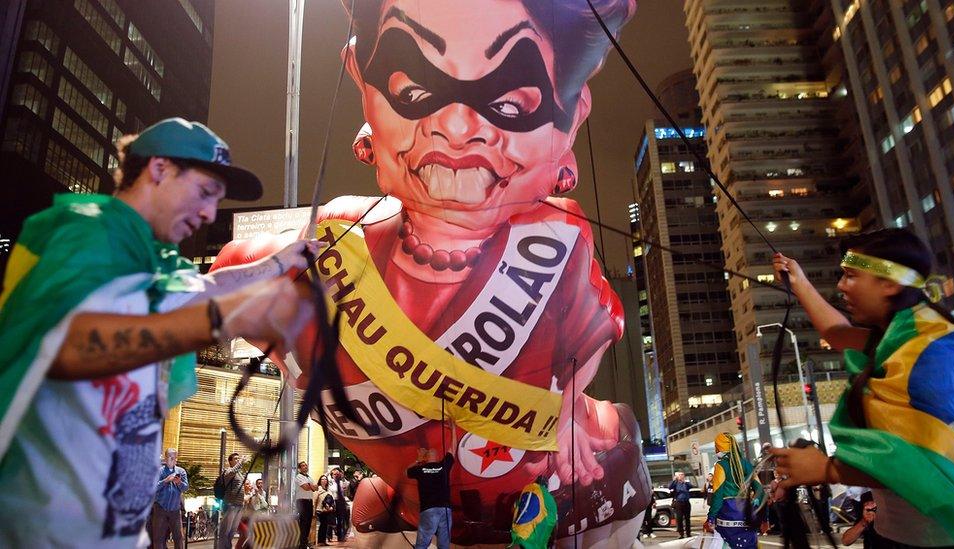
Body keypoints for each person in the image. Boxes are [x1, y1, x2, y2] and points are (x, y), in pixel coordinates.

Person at [211, 2, 653, 545]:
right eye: (415, 90)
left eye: (510, 101)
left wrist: (561, 412)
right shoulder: (335, 243)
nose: (458, 126)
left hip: (565, 505)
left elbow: (593, 340)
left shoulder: (560, 240)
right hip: (418, 512)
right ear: (362, 85)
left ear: (572, 117)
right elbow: (225, 275)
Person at [0, 117, 322, 548]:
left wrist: (281, 262)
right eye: (206, 192)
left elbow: (206, 286)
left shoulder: (155, 262)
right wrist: (226, 317)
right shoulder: (87, 233)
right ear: (159, 169)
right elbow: (75, 346)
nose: (210, 214)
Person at [770, 228, 954, 547]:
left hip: (941, 537)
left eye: (851, 276)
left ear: (889, 283)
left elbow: (924, 460)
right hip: (896, 531)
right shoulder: (905, 336)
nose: (841, 286)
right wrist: (798, 280)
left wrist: (827, 468)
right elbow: (837, 332)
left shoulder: (929, 356)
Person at [703, 433, 763, 549]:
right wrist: (759, 511)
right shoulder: (746, 463)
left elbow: (718, 496)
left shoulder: (721, 466)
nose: (716, 450)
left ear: (720, 447)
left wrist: (710, 518)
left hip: (727, 513)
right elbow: (760, 490)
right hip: (746, 512)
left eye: (716, 447)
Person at [407, 448, 455, 549]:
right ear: (437, 457)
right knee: (444, 544)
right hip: (445, 508)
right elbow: (452, 450)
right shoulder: (443, 466)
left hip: (429, 509)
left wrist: (418, 460)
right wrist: (453, 431)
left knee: (422, 544)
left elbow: (406, 472)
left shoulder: (420, 469)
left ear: (426, 458)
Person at [152, 448, 188, 548]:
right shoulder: (159, 471)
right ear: (165, 458)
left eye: (174, 457)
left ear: (176, 458)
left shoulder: (181, 471)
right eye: (169, 457)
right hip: (160, 508)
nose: (172, 460)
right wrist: (166, 481)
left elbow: (185, 487)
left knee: (179, 537)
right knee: (158, 537)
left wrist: (179, 482)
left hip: (175, 509)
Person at [218, 452, 249, 549]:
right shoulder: (228, 471)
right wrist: (241, 461)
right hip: (230, 504)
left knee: (232, 531)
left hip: (239, 505)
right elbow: (233, 471)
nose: (237, 460)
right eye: (235, 459)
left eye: (238, 458)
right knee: (225, 531)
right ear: (230, 461)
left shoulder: (238, 473)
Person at [295, 461, 316, 548]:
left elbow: (316, 487)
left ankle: (305, 542)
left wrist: (309, 485)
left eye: (306, 465)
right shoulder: (298, 477)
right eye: (303, 466)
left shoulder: (309, 477)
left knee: (308, 523)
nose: (305, 467)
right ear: (299, 468)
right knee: (303, 523)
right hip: (301, 501)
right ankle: (302, 544)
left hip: (309, 501)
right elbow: (306, 488)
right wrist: (310, 486)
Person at [328, 467, 350, 542]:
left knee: (341, 519)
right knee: (332, 520)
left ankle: (340, 536)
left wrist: (342, 475)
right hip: (333, 501)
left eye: (338, 474)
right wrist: (329, 471)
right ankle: (330, 535)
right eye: (334, 474)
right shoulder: (329, 482)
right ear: (332, 475)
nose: (336, 475)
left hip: (340, 502)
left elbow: (347, 486)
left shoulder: (341, 482)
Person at [668, 472, 692, 538]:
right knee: (679, 518)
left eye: (682, 475)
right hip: (679, 502)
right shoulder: (675, 483)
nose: (681, 476)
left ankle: (688, 533)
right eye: (680, 475)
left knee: (687, 519)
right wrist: (674, 480)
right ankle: (681, 533)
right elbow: (669, 487)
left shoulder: (686, 483)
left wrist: (684, 482)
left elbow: (691, 486)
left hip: (686, 502)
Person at [314, 475, 336, 546]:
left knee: (325, 525)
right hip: (320, 510)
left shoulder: (328, 490)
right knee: (322, 525)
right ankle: (320, 541)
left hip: (328, 510)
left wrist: (331, 507)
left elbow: (332, 500)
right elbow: (314, 500)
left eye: (325, 479)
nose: (324, 480)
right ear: (320, 481)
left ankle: (323, 541)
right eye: (322, 479)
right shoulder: (318, 489)